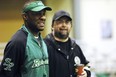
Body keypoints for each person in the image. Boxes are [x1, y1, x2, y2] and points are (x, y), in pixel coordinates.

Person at [0, 1, 52, 77]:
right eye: (37, 14)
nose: (43, 17)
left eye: (43, 14)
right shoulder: (18, 42)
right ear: (25, 16)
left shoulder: (41, 40)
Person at [44, 10, 91, 77]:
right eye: (60, 22)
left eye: (67, 22)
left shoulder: (75, 47)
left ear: (71, 26)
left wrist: (86, 73)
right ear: (52, 26)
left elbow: (86, 65)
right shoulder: (44, 46)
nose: (64, 25)